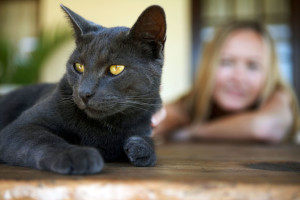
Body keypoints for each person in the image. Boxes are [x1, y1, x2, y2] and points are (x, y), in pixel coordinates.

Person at [152, 21, 300, 143]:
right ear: (208, 67)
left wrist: (192, 132)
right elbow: (161, 117)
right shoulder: (194, 102)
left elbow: (265, 127)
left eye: (253, 66)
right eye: (227, 62)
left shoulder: (278, 95)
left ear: (269, 74)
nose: (238, 77)